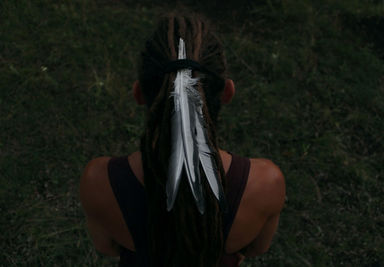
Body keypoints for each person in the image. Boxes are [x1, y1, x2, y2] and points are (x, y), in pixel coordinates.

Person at [80, 13, 285, 267]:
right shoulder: (266, 182)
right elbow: (256, 248)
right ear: (227, 93)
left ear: (139, 93)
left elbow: (107, 247)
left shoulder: (98, 180)